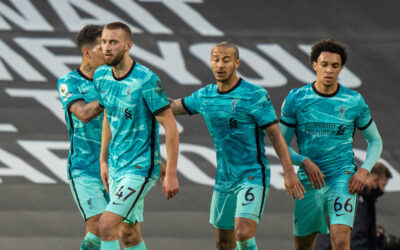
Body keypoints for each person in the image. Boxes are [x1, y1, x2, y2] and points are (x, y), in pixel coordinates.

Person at [169, 41, 305, 250]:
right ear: (211, 62)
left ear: (237, 63)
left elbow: (275, 134)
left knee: (242, 233)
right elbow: (172, 107)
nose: (220, 65)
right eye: (216, 59)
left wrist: (288, 171)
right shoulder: (205, 96)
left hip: (252, 175)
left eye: (226, 60)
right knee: (224, 242)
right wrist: (146, 96)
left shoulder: (254, 95)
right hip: (224, 178)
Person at [279, 39, 383, 250]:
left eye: (335, 66)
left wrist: (363, 171)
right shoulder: (296, 99)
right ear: (314, 65)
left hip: (342, 178)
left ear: (341, 68)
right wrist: (302, 161)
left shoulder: (353, 101)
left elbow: (376, 141)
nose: (329, 70)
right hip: (308, 181)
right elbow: (280, 143)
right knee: (303, 245)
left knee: (341, 238)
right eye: (324, 64)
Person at [94, 22, 179, 250]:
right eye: (103, 42)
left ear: (128, 45)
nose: (106, 47)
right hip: (116, 165)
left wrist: (170, 173)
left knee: (106, 225)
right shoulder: (101, 76)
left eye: (113, 42)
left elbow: (170, 127)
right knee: (128, 234)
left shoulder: (146, 81)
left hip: (140, 168)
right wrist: (103, 160)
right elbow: (108, 119)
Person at [57, 24, 108, 250]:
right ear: (87, 52)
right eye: (101, 47)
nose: (108, 52)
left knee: (119, 232)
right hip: (84, 167)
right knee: (98, 226)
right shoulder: (69, 82)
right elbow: (83, 113)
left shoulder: (115, 80)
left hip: (117, 166)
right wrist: (110, 97)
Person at [314, 162, 393, 250]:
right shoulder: (356, 201)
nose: (383, 190)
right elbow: (357, 241)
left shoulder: (361, 196)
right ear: (374, 180)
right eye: (383, 185)